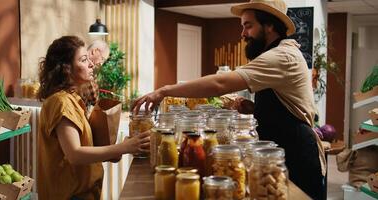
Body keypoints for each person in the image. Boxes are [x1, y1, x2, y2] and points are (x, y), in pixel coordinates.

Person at [132, 0, 326, 199]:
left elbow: (220, 84)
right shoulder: (278, 53)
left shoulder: (282, 56)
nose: (242, 34)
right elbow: (286, 104)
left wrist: (164, 90)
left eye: (248, 26)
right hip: (277, 151)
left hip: (295, 151)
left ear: (270, 26)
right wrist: (255, 109)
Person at [37, 36, 150, 200]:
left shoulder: (73, 98)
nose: (91, 64)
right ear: (66, 68)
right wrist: (123, 148)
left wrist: (122, 146)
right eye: (83, 60)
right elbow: (75, 154)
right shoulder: (61, 102)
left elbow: (84, 147)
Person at [78, 40, 110, 107]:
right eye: (102, 59)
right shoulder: (84, 70)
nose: (101, 64)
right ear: (95, 51)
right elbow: (94, 99)